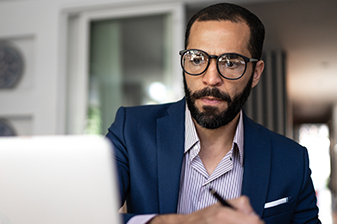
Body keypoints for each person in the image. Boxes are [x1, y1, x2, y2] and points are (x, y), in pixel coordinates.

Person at [106, 3, 320, 224]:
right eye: (197, 59)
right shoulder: (130, 130)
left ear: (255, 74)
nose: (211, 78)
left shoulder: (292, 160)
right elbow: (81, 213)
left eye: (230, 62)